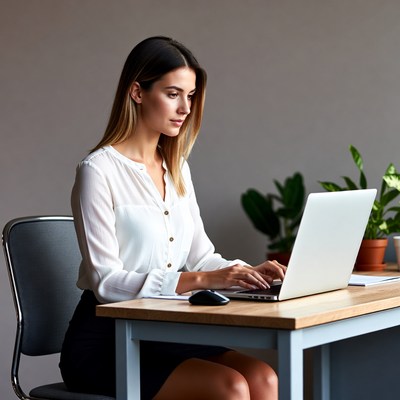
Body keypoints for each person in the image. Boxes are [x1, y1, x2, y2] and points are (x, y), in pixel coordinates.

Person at [60, 36, 286, 400]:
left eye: (191, 95)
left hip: (167, 334)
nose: (185, 108)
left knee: (264, 378)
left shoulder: (177, 167)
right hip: (107, 343)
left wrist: (248, 273)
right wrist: (202, 278)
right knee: (230, 388)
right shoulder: (97, 171)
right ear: (137, 92)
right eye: (172, 93)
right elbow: (106, 283)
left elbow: (201, 257)